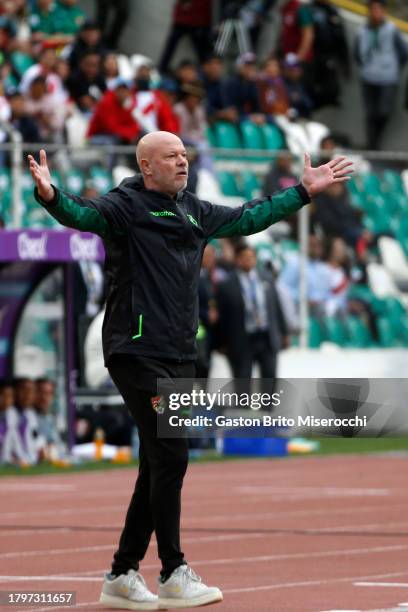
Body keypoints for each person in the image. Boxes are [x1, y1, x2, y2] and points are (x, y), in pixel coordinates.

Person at [28, 131, 352, 609]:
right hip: (136, 350)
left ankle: (121, 574)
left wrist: (301, 192)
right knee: (173, 455)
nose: (182, 161)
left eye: (184, 154)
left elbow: (248, 218)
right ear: (146, 166)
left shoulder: (193, 210)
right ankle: (173, 570)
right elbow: (84, 215)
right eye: (171, 156)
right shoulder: (127, 206)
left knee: (158, 460)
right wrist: (50, 195)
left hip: (178, 353)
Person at [217, 244, 289, 394]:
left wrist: (284, 332)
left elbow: (275, 307)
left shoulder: (267, 279)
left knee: (269, 379)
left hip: (266, 337)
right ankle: (242, 415)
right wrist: (222, 342)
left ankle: (267, 414)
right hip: (243, 339)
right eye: (245, 257)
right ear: (238, 260)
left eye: (251, 257)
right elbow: (223, 317)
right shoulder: (227, 284)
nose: (248, 261)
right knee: (242, 382)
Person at [355, 0, 408, 149]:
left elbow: (404, 53)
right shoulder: (362, 30)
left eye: (378, 9)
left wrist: (393, 68)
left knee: (384, 111)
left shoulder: (391, 29)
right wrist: (367, 66)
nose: (375, 12)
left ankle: (375, 142)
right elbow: (357, 53)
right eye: (372, 9)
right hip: (368, 77)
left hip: (387, 78)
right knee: (370, 113)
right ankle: (372, 145)